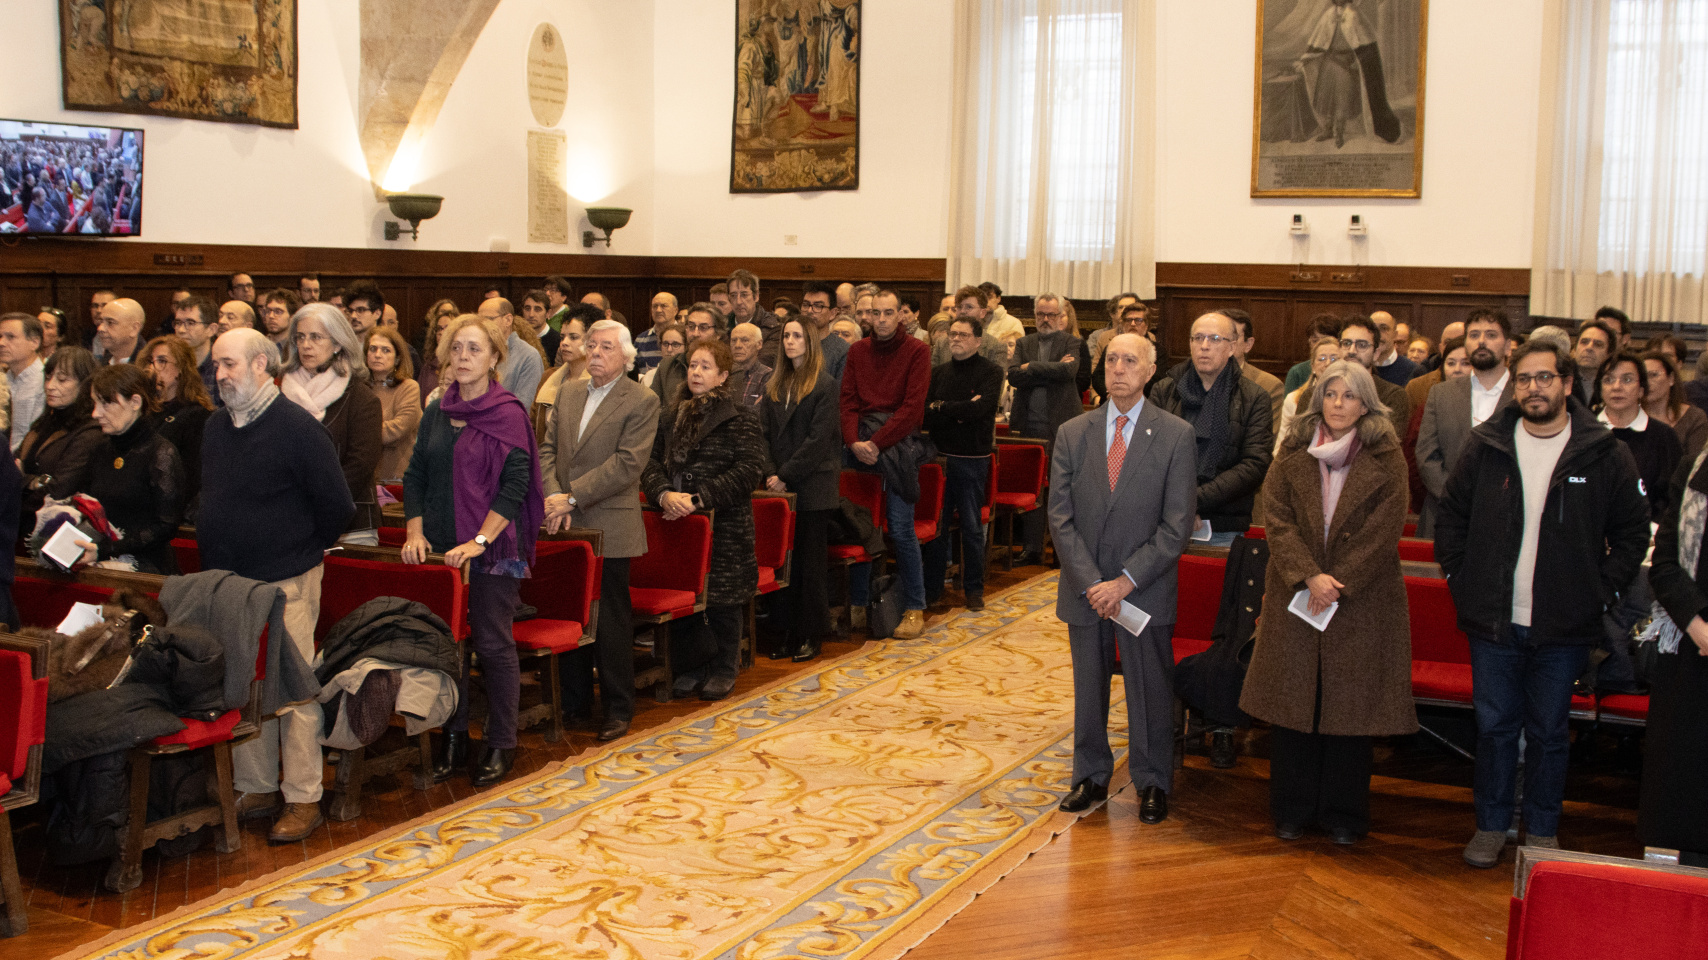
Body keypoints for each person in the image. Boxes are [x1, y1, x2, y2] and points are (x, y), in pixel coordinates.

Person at [1434, 338, 1650, 868]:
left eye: (1544, 378)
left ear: (1568, 384)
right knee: (1495, 728)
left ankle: (1544, 829)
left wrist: (1602, 592)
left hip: (1566, 625)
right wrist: (1463, 579)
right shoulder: (1487, 446)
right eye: (1525, 379)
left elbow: (1630, 534)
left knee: (1551, 732)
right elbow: (1452, 520)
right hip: (1493, 621)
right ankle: (1491, 824)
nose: (1534, 388)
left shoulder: (1603, 452)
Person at [1239, 361, 1416, 844]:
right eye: (1330, 394)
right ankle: (1291, 810)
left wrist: (1337, 582)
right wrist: (1308, 576)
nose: (1339, 404)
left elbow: (1386, 528)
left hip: (1361, 598)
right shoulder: (1294, 446)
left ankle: (1344, 815)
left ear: (1366, 404)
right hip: (1297, 592)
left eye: (1349, 396)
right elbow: (1275, 517)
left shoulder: (1386, 454)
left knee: (1350, 710)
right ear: (1318, 399)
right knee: (1294, 704)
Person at [202, 328, 354, 843]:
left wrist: (294, 546)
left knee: (293, 691)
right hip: (231, 584)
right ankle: (258, 785)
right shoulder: (216, 429)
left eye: (229, 365)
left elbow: (338, 508)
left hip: (288, 577)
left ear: (262, 363)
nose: (220, 376)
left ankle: (304, 796)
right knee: (245, 684)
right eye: (216, 366)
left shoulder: (297, 427)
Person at [1050, 333, 1197, 822]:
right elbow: (1060, 516)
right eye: (1111, 359)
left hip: (1144, 588)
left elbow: (1177, 525)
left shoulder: (1175, 434)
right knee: (1088, 687)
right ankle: (1089, 775)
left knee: (1148, 688)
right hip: (1085, 588)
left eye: (1129, 360)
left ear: (1150, 370)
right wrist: (1094, 582)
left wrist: (1125, 582)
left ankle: (1152, 780)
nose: (1118, 369)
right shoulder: (1073, 432)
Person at [403, 315, 543, 787]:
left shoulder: (508, 412)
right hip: (442, 546)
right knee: (448, 647)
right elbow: (415, 475)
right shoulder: (437, 412)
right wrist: (414, 532)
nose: (463, 357)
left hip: (493, 546)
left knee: (492, 643)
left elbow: (515, 485)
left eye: (474, 349)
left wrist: (478, 541)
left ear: (495, 358)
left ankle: (501, 741)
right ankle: (454, 736)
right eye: (456, 348)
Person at [540, 319, 659, 741]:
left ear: (626, 357)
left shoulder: (641, 399)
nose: (595, 353)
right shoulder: (569, 391)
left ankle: (617, 707)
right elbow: (547, 448)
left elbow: (627, 464)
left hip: (609, 522)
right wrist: (554, 497)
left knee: (609, 620)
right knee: (570, 611)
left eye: (606, 347)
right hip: (565, 522)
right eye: (591, 345)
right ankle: (573, 701)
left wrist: (570, 497)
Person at [642, 338, 767, 700]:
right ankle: (693, 665)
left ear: (723, 375)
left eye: (705, 366)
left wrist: (699, 499)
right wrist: (665, 494)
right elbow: (649, 463)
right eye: (693, 365)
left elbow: (748, 471)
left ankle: (725, 667)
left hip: (724, 523)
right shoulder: (670, 414)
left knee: (723, 601)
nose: (696, 372)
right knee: (688, 599)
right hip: (677, 520)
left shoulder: (740, 417)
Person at [841, 290, 935, 638]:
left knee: (899, 529)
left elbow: (911, 409)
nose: (880, 319)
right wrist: (854, 441)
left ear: (901, 316)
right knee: (861, 527)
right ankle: (860, 604)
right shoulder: (857, 351)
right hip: (860, 445)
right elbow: (848, 401)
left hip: (898, 448)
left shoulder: (918, 351)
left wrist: (876, 444)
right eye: (875, 313)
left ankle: (914, 606)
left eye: (888, 313)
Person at [1147, 312, 1275, 546]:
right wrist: (1177, 506)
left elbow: (1254, 465)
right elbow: (1149, 455)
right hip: (1163, 521)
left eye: (1215, 339)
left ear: (1232, 347)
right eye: (1198, 338)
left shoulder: (1255, 398)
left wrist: (1193, 502)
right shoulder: (1164, 391)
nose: (1204, 346)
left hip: (1223, 526)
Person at [1641, 445, 1708, 869]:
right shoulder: (1698, 466)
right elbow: (1664, 562)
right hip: (1694, 654)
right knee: (1689, 803)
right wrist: (1699, 626)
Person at [760, 317, 842, 660]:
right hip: (778, 486)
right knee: (784, 565)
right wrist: (769, 473)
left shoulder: (824, 385)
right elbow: (762, 435)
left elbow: (817, 441)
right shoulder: (774, 385)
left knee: (809, 566)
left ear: (809, 342)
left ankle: (810, 633)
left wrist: (786, 475)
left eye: (796, 336)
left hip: (812, 486)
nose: (789, 341)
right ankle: (786, 632)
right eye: (786, 336)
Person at [280, 303, 383, 545]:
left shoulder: (362, 398)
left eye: (316, 337)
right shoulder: (281, 394)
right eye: (300, 337)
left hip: (350, 525)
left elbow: (360, 465)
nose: (306, 345)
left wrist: (313, 504)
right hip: (288, 520)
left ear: (337, 344)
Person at [923, 316, 1003, 612]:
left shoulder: (991, 371)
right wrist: (954, 410)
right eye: (952, 334)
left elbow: (980, 410)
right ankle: (932, 590)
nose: (955, 339)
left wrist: (943, 406)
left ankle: (974, 590)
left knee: (971, 527)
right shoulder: (938, 372)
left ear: (978, 340)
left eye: (962, 335)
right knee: (937, 528)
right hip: (939, 459)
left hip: (972, 459)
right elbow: (926, 414)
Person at [77, 364, 186, 574]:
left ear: (135, 402)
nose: (95, 413)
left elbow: (166, 526)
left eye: (106, 404)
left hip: (147, 567)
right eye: (95, 403)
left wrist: (108, 549)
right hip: (102, 558)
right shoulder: (101, 449)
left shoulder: (161, 453)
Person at [1007, 294, 1091, 565]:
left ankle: (1059, 551)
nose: (1045, 320)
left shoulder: (1072, 342)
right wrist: (1048, 370)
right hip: (1028, 426)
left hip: (1062, 427)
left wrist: (1031, 367)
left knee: (1061, 489)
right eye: (1041, 314)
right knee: (1033, 489)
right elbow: (1013, 376)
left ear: (1061, 316)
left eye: (1051, 315)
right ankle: (1031, 548)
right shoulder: (1024, 342)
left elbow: (1069, 373)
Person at [1416, 310, 1514, 536]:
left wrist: (1489, 504)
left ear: (1508, 346)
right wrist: (1457, 500)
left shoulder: (1522, 394)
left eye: (1491, 335)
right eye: (1474, 335)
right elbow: (1426, 456)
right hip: (1445, 515)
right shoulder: (1441, 394)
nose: (1481, 341)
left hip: (1506, 519)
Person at [17, 347, 102, 530]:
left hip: (53, 529)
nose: (50, 386)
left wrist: (23, 480)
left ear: (85, 384)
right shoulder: (45, 422)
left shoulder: (90, 432)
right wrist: (32, 481)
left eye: (62, 379)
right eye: (48, 377)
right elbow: (10, 469)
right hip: (22, 520)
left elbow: (58, 492)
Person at [1595, 350, 1682, 522]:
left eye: (1627, 379)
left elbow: (1672, 498)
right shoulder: (1582, 433)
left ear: (1642, 389)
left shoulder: (1664, 437)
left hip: (1648, 538)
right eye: (1608, 380)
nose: (1617, 387)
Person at [141, 335, 215, 506]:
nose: (152, 368)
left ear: (181, 368)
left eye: (161, 361)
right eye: (150, 362)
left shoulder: (197, 414)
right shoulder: (144, 410)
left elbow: (192, 475)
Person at [1334, 316, 1411, 438]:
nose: (1352, 351)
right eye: (1346, 343)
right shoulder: (1315, 393)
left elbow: (1386, 446)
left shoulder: (1393, 395)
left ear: (1376, 354)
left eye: (1362, 345)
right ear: (1338, 349)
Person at [366, 326, 423, 484]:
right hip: (365, 478)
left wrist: (360, 434)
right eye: (373, 349)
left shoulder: (408, 387)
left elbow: (396, 430)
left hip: (397, 479)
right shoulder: (360, 389)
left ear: (397, 358)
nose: (378, 355)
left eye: (386, 350)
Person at [1275, 335, 1342, 454]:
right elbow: (1281, 446)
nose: (1327, 363)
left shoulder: (1350, 400)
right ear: (1313, 367)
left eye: (1333, 359)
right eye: (1321, 359)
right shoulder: (1294, 399)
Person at [1642, 351, 1708, 462]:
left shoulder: (1694, 418)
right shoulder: (1629, 416)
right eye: (1642, 377)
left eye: (1654, 375)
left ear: (1671, 378)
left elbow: (1695, 468)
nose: (1648, 382)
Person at [478, 298, 543, 408]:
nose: (481, 326)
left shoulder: (528, 356)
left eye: (488, 319)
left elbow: (523, 406)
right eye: (479, 321)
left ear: (508, 320)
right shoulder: (477, 351)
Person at [1225, 309, 1286, 423]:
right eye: (1216, 337)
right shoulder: (1187, 379)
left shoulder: (1268, 386)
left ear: (1248, 344)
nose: (1224, 342)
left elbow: (1264, 438)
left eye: (1233, 337)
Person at [653, 303, 722, 403]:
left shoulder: (728, 367)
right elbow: (651, 406)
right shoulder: (668, 366)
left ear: (718, 333)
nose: (695, 333)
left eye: (703, 327)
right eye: (691, 326)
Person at [0, 312, 45, 454]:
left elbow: (37, 437)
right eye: (0, 337)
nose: (1, 343)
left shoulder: (45, 382)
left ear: (34, 342)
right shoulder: (3, 381)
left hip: (26, 465)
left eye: (11, 337)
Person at [172, 295, 223, 401]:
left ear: (211, 329)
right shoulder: (169, 363)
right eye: (178, 323)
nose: (181, 330)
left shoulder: (222, 368)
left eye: (190, 323)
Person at [800, 281, 849, 379]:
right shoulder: (790, 343)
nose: (810, 311)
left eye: (818, 306)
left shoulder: (843, 351)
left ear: (833, 313)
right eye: (806, 305)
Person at [1284, 315, 1344, 392]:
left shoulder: (1347, 369)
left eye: (1326, 340)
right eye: (1315, 341)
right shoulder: (1297, 372)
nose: (1319, 345)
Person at [1571, 320, 1617, 407]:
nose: (1589, 348)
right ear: (1575, 348)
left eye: (1598, 344)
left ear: (1609, 353)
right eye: (1584, 342)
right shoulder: (1562, 378)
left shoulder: (1614, 384)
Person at [728, 321, 773, 406]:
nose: (737, 345)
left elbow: (761, 413)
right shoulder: (724, 374)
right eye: (734, 340)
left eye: (745, 340)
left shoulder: (768, 376)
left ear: (759, 344)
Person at [1370, 311, 1420, 386]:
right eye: (1373, 329)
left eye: (1384, 328)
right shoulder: (1359, 367)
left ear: (1395, 335)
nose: (1378, 334)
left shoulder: (1413, 370)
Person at [634, 291, 677, 375]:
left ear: (675, 310)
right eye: (655, 306)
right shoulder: (641, 339)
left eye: (663, 306)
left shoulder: (685, 336)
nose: (658, 310)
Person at [419, 304, 458, 397]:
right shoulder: (428, 366)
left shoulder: (463, 363)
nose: (442, 332)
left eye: (447, 328)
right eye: (439, 328)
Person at [94, 297, 146, 365]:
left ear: (134, 329)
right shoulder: (99, 366)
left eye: (110, 323)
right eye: (101, 322)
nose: (100, 328)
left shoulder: (148, 368)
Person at [642, 323, 685, 391]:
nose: (669, 349)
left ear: (686, 347)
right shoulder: (649, 377)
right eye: (665, 344)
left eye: (675, 344)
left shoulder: (689, 377)